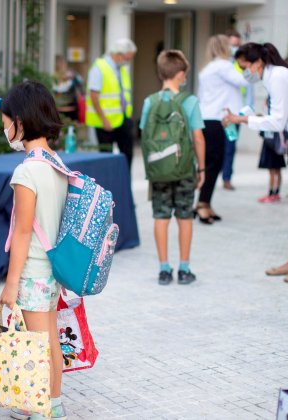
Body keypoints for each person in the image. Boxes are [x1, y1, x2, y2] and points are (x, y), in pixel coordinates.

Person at [226, 42, 288, 283]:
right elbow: (279, 119)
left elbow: (277, 123)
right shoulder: (272, 77)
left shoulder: (278, 77)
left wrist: (242, 119)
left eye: (244, 67)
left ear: (258, 63)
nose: (244, 72)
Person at [0, 81, 68, 420]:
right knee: (49, 338)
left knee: (37, 345)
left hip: (34, 271)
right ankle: (49, 402)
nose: (5, 130)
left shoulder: (27, 170)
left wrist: (11, 284)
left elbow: (23, 232)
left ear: (20, 123)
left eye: (6, 123)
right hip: (53, 271)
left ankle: (44, 409)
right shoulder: (56, 162)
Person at [139, 50, 206, 285]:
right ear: (180, 74)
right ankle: (184, 269)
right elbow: (198, 138)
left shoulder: (150, 102)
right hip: (185, 168)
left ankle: (164, 269)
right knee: (185, 216)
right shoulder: (190, 102)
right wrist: (202, 169)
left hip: (159, 169)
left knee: (161, 216)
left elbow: (144, 133)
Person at [196, 34, 249, 224]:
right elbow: (244, 81)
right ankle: (203, 204)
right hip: (218, 120)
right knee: (214, 164)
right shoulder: (224, 66)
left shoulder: (208, 68)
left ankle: (204, 203)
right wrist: (250, 66)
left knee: (209, 163)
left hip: (206, 119)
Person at [85, 38, 137, 170]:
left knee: (127, 156)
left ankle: (124, 186)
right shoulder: (99, 67)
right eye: (127, 58)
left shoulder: (122, 69)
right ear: (118, 54)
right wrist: (104, 120)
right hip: (105, 123)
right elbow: (93, 96)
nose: (128, 61)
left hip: (123, 119)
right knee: (106, 159)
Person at [221, 29, 254, 191]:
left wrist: (245, 113)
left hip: (235, 115)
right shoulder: (222, 64)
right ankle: (212, 174)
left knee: (230, 146)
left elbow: (249, 91)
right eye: (232, 44)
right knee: (216, 147)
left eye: (237, 45)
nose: (235, 47)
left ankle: (226, 177)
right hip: (218, 115)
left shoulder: (243, 66)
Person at [53, 55, 83, 121]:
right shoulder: (52, 77)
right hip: (58, 109)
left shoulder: (73, 76)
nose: (61, 65)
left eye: (62, 63)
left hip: (71, 109)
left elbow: (79, 91)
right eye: (58, 63)